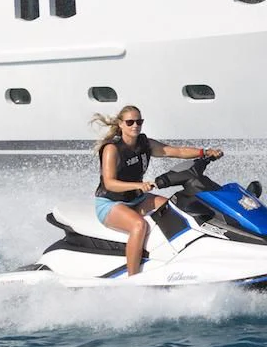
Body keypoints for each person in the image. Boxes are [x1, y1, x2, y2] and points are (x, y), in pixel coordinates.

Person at [92, 105, 222, 276]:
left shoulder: (145, 144)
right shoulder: (112, 149)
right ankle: (133, 278)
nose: (135, 125)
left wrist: (204, 152)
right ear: (121, 124)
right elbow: (110, 183)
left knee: (174, 209)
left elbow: (176, 151)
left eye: (139, 121)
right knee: (139, 225)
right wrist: (138, 186)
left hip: (136, 199)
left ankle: (177, 259)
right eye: (130, 122)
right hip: (110, 204)